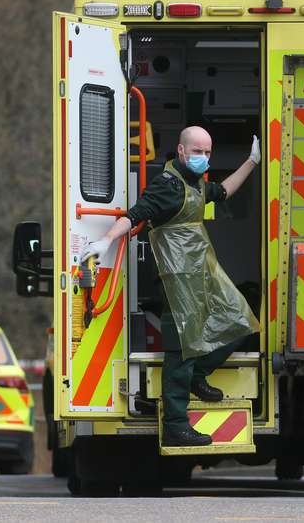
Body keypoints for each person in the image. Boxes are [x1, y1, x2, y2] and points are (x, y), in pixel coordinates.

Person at [81, 126, 261, 447]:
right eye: (197, 152)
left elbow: (223, 191)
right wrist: (105, 241)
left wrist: (251, 162)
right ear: (181, 151)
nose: (203, 158)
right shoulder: (166, 186)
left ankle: (197, 376)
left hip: (201, 270)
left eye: (207, 153)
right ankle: (177, 425)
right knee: (182, 348)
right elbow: (135, 214)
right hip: (178, 276)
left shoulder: (195, 183)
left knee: (239, 320)